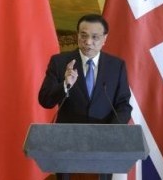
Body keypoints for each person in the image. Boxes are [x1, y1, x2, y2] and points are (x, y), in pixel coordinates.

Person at [39, 14, 132, 180]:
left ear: (105, 39)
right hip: (67, 145)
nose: (88, 42)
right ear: (77, 35)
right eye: (83, 36)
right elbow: (45, 100)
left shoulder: (116, 66)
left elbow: (124, 105)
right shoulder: (59, 62)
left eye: (95, 37)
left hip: (102, 145)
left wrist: (110, 132)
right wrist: (65, 85)